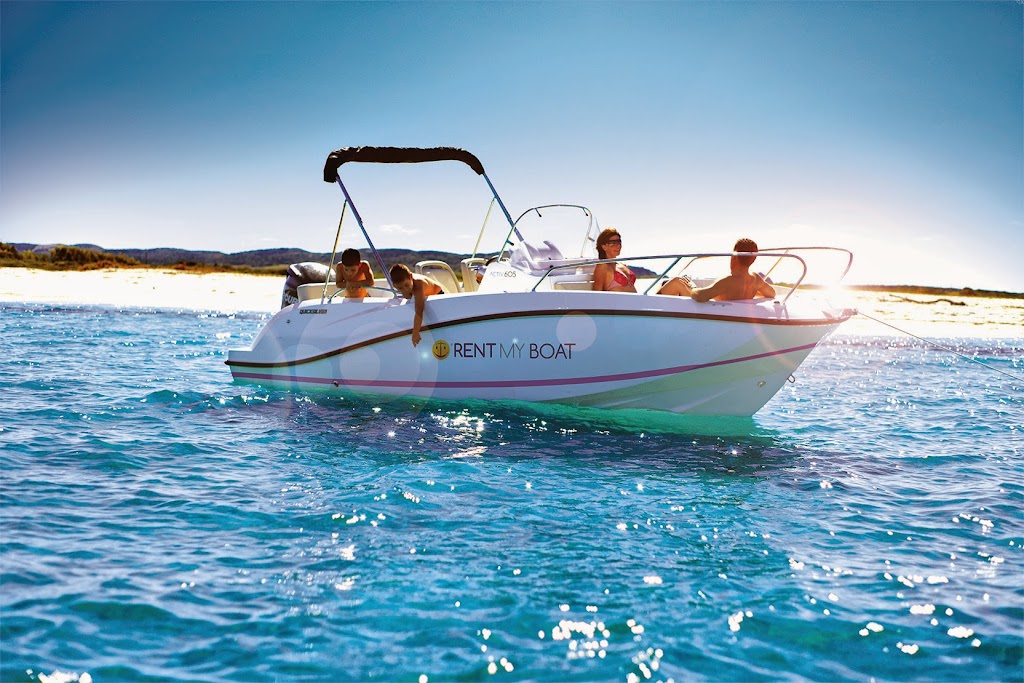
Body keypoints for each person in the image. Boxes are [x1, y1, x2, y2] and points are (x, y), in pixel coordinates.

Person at [658, 238, 776, 301]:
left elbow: (699, 296)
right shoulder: (755, 280)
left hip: (705, 309)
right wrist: (754, 290)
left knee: (677, 281)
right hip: (722, 308)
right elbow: (772, 293)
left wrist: (691, 285)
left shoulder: (729, 281)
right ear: (753, 259)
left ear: (734, 257)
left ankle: (651, 305)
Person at [389, 263, 445, 347]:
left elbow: (419, 310)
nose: (405, 289)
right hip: (423, 296)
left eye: (406, 285)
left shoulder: (419, 284)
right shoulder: (406, 285)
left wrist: (415, 332)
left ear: (411, 277)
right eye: (400, 288)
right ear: (394, 286)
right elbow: (407, 295)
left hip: (438, 296)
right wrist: (405, 292)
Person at [591, 228, 637, 293]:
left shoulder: (622, 265)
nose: (618, 246)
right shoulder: (603, 266)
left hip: (636, 299)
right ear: (604, 247)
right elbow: (596, 294)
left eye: (619, 242)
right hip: (617, 299)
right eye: (613, 243)